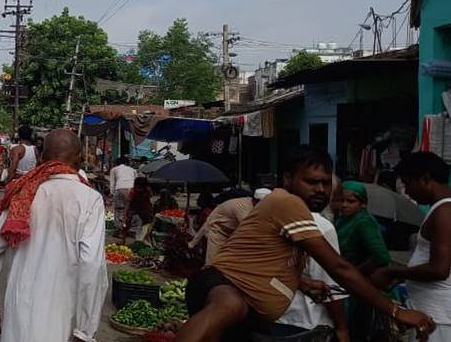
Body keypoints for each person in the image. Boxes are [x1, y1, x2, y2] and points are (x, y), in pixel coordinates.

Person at [178, 145, 434, 342]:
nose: (320, 189)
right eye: (311, 182)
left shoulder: (294, 213)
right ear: (288, 179)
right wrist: (396, 311)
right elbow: (340, 269)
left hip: (249, 311)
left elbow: (262, 260)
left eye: (325, 183)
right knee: (228, 305)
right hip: (222, 289)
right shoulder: (289, 203)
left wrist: (302, 283)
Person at [0, 129, 108, 342]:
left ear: (41, 157)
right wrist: (84, 331)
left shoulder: (21, 193)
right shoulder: (89, 199)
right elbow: (92, 266)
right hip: (60, 317)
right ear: (80, 159)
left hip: (17, 314)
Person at [372, 152, 451, 341]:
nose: (407, 192)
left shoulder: (444, 212)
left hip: (438, 317)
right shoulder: (442, 209)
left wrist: (393, 273)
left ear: (425, 178)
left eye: (408, 184)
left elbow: (439, 269)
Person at [271, 205, 349, 341]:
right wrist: (342, 328)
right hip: (309, 320)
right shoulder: (321, 227)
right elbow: (330, 287)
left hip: (273, 314)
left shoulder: (269, 219)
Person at [335, 180, 392, 342]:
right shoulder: (344, 219)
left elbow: (381, 256)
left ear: (363, 203)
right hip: (348, 285)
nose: (345, 205)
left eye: (351, 201)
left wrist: (355, 273)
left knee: (359, 331)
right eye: (341, 200)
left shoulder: (363, 222)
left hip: (360, 286)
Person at [189, 188, 271, 264]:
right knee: (213, 264)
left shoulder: (259, 208)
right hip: (218, 232)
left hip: (232, 234)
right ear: (256, 201)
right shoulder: (242, 207)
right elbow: (250, 230)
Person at [109, 157, 138, 233]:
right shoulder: (133, 170)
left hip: (120, 189)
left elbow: (112, 183)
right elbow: (136, 181)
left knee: (119, 209)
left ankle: (119, 228)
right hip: (132, 190)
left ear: (116, 163)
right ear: (127, 163)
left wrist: (112, 194)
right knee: (132, 209)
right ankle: (132, 228)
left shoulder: (114, 169)